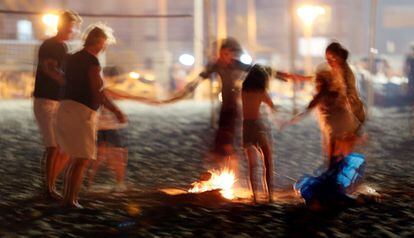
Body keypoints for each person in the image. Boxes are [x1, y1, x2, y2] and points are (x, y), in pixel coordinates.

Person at [56, 24, 126, 208]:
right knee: (82, 158)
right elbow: (98, 91)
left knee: (76, 156)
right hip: (82, 111)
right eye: (104, 43)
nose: (104, 47)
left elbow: (64, 81)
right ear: (98, 42)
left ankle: (67, 198)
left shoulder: (71, 57)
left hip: (66, 107)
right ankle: (70, 200)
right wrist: (115, 110)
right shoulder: (92, 62)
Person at [33, 10, 82, 199]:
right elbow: (49, 67)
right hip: (45, 100)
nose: (74, 30)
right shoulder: (51, 45)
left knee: (57, 146)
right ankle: (49, 187)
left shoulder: (61, 46)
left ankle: (49, 184)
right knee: (52, 146)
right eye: (72, 26)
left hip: (54, 101)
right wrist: (66, 83)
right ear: (63, 26)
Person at [284, 62, 361, 169]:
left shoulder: (323, 93)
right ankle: (336, 169)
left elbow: (308, 109)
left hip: (337, 126)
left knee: (333, 152)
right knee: (338, 152)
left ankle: (333, 170)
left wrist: (289, 121)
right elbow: (312, 79)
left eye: (317, 84)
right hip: (343, 124)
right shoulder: (334, 88)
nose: (315, 86)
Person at [242, 65, 277, 203]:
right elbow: (272, 105)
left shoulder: (243, 90)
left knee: (252, 164)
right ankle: (270, 196)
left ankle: (255, 197)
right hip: (257, 126)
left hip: (246, 127)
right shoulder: (261, 92)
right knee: (267, 160)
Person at [325, 42, 366, 127]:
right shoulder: (337, 70)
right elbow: (320, 78)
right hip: (347, 118)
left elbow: (348, 96)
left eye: (330, 59)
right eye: (327, 59)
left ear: (338, 57)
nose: (328, 62)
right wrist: (298, 77)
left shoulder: (345, 74)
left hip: (353, 117)